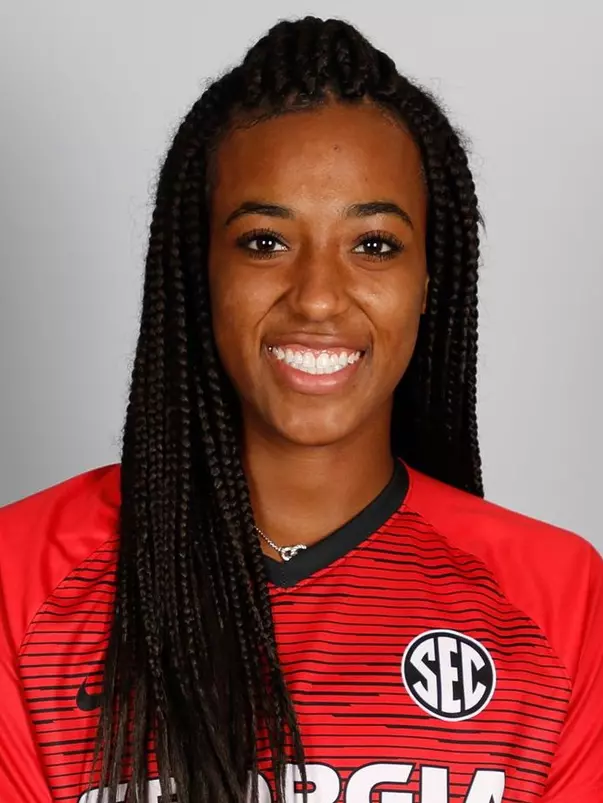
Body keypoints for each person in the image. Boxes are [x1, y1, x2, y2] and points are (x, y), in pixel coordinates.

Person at [0, 15, 601, 803]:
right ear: (197, 267)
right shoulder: (21, 580)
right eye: (262, 242)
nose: (317, 296)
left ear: (430, 279)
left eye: (375, 244)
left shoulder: (555, 597)